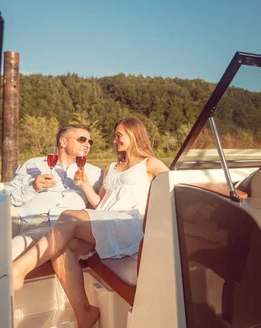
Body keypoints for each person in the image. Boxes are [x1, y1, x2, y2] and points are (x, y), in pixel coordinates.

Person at [12, 117, 169, 328]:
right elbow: (101, 204)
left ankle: (17, 271)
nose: (115, 140)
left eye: (119, 135)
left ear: (134, 134)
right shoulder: (111, 167)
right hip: (106, 222)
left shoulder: (150, 164)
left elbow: (175, 186)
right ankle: (84, 313)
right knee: (61, 246)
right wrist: (85, 186)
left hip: (129, 223)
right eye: (115, 135)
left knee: (68, 215)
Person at [5, 123, 103, 261]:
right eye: (82, 140)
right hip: (21, 217)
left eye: (89, 141)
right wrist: (32, 187)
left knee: (12, 249)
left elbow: (104, 206)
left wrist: (86, 187)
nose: (88, 145)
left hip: (56, 225)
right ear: (63, 141)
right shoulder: (34, 164)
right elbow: (6, 196)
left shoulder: (95, 173)